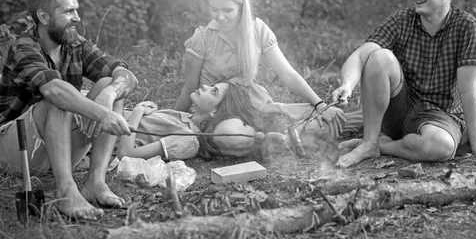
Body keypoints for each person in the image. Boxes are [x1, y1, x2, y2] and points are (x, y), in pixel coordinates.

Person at [331, 0, 476, 169]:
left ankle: (382, 146)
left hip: (440, 116)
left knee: (441, 146)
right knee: (379, 57)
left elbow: (469, 90)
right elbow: (361, 56)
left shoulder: (467, 27)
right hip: (399, 108)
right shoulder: (401, 20)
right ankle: (369, 142)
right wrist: (348, 85)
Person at [0, 0, 138, 220]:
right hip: (16, 149)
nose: (77, 18)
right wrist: (102, 114)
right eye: (69, 11)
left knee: (108, 84)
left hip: (58, 147)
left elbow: (126, 75)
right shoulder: (22, 46)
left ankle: (95, 182)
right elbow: (54, 91)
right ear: (43, 17)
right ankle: (66, 191)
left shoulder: (74, 43)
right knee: (59, 95)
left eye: (77, 9)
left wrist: (110, 93)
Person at [174, 0, 346, 133]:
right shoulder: (202, 39)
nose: (220, 17)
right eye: (214, 9)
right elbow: (189, 88)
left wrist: (319, 104)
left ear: (242, 7)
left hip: (252, 107)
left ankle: (365, 124)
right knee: (232, 133)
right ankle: (276, 138)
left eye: (227, 10)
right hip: (217, 114)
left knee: (317, 114)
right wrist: (173, 124)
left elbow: (287, 74)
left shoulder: (257, 30)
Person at [118, 78, 362, 160]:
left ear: (215, 112)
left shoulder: (188, 140)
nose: (204, 85)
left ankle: (371, 122)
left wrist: (138, 112)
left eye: (213, 90)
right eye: (212, 86)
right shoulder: (185, 119)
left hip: (103, 130)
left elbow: (125, 154)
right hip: (110, 117)